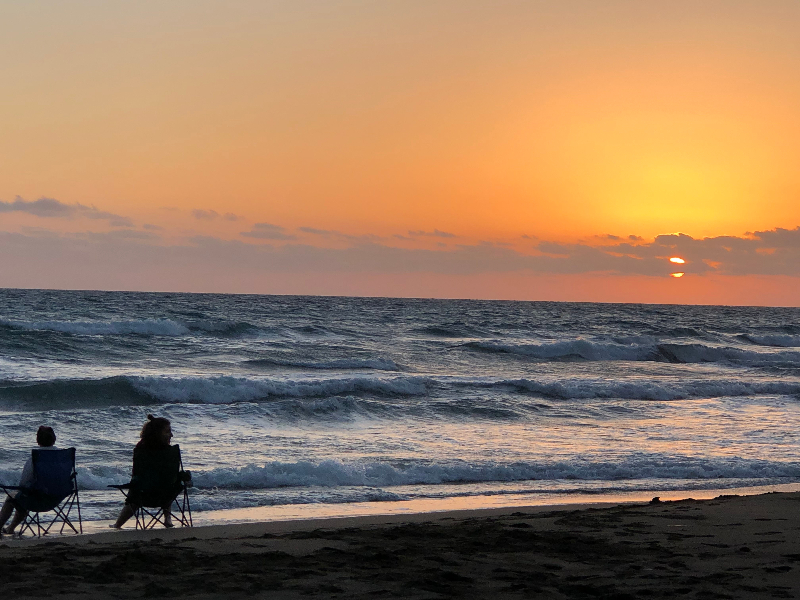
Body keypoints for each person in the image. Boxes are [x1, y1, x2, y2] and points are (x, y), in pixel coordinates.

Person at [112, 414, 183, 529]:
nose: (171, 435)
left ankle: (118, 524)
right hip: (166, 495)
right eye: (167, 432)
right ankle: (167, 519)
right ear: (157, 433)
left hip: (143, 495)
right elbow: (173, 476)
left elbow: (136, 474)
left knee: (136, 488)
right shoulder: (171, 452)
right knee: (169, 483)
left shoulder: (140, 450)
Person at [0, 426, 58, 534]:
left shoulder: (35, 458)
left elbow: (23, 482)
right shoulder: (63, 456)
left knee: (15, 497)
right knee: (24, 496)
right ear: (54, 439)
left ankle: (6, 527)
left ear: (38, 440)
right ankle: (10, 528)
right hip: (57, 498)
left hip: (37, 500)